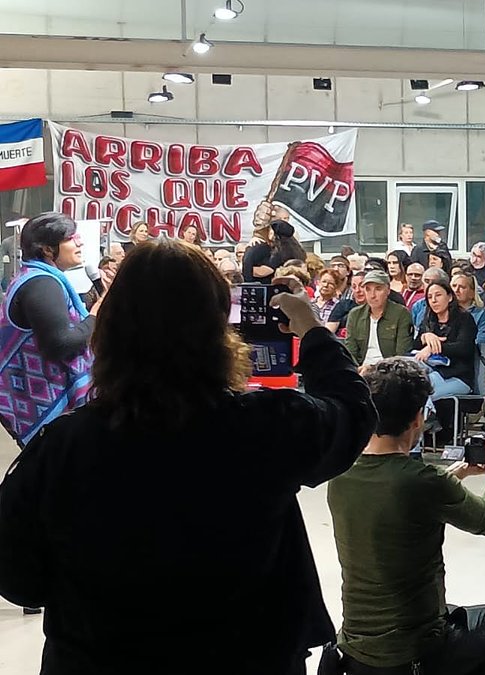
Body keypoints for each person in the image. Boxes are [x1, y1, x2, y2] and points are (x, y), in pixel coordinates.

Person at [0, 239, 376, 674]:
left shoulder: (63, 445)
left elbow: (19, 577)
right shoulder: (266, 426)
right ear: (219, 328)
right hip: (247, 656)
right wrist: (313, 332)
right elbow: (353, 413)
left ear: (109, 331)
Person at [327, 357, 485, 675]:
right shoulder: (423, 479)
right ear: (418, 418)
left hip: (356, 648)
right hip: (414, 650)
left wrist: (458, 473)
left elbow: (397, 499)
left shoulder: (341, 472)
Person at [0, 212, 97, 447]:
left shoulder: (37, 277)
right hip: (45, 407)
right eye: (71, 238)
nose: (80, 242)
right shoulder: (41, 283)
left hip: (39, 404)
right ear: (46, 249)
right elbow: (60, 344)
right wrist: (96, 316)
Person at [414, 280, 479, 402]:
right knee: (410, 385)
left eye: (438, 295)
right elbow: (415, 347)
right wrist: (425, 337)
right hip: (432, 371)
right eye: (429, 297)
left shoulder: (464, 318)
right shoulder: (429, 319)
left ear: (449, 297)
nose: (433, 300)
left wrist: (435, 347)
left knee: (423, 392)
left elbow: (464, 349)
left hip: (458, 376)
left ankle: (428, 421)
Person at [344, 271, 415, 367]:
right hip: (360, 369)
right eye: (368, 289)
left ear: (388, 290)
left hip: (389, 370)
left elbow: (401, 355)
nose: (372, 295)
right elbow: (350, 351)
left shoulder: (401, 314)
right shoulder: (355, 314)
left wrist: (373, 369)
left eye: (378, 289)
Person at [327, 270, 367, 335]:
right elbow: (329, 331)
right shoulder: (343, 305)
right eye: (354, 287)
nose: (357, 290)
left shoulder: (376, 307)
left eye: (362, 286)